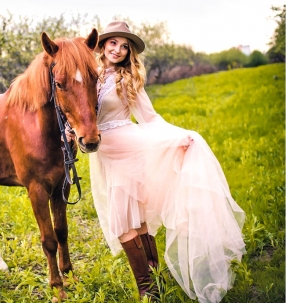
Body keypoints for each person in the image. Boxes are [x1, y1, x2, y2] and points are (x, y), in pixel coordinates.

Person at [87, 21, 246, 302]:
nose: (119, 50)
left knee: (125, 223)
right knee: (134, 220)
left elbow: (149, 117)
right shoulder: (90, 75)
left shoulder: (128, 79)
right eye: (113, 43)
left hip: (127, 149)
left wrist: (177, 136)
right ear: (102, 44)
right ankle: (155, 278)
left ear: (129, 53)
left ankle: (147, 289)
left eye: (125, 47)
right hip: (105, 152)